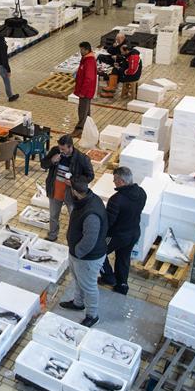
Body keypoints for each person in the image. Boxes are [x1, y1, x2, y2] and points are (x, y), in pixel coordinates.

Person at [59, 178, 108, 327]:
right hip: (78, 255)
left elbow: (89, 241)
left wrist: (78, 252)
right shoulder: (86, 200)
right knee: (78, 280)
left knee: (89, 286)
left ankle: (92, 315)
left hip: (87, 258)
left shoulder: (91, 212)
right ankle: (78, 303)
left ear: (74, 191)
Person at [98, 167, 147, 295]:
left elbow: (109, 222)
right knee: (123, 258)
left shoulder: (117, 199)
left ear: (121, 181)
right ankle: (122, 285)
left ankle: (108, 277)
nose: (114, 182)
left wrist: (101, 235)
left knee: (99, 251)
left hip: (117, 236)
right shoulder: (141, 192)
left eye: (115, 180)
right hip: (134, 233)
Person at [40, 135, 94, 241]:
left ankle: (73, 238)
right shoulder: (55, 151)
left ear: (70, 147)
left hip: (72, 193)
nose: (61, 151)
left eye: (63, 149)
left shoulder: (81, 158)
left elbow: (90, 176)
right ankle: (52, 235)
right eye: (60, 148)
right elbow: (43, 165)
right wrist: (52, 160)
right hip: (55, 189)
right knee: (53, 215)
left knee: (74, 217)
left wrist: (73, 182)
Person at [73, 42, 97, 132]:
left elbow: (89, 78)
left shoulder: (89, 61)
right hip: (85, 90)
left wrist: (83, 92)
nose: (80, 51)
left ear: (87, 50)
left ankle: (80, 128)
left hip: (86, 91)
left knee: (82, 109)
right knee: (86, 109)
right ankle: (88, 126)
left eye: (82, 49)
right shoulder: (85, 59)